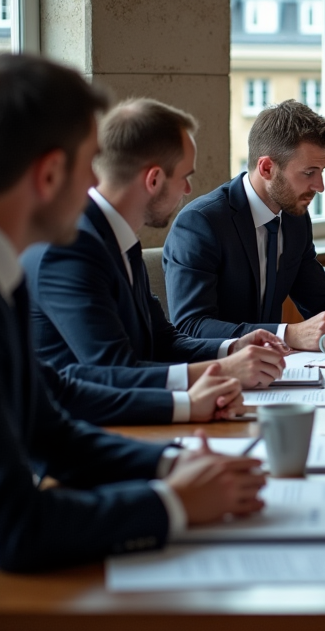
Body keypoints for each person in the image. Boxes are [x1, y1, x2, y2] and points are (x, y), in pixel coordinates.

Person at [0, 54, 265, 628]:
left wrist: (171, 466)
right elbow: (11, 527)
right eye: (87, 166)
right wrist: (173, 505)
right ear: (49, 175)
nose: (98, 183)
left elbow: (47, 423)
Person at [22, 98, 288, 425]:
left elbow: (162, 339)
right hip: (82, 435)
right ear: (153, 179)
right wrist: (221, 371)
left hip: (132, 419)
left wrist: (231, 349)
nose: (189, 189)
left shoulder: (116, 237)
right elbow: (112, 370)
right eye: (185, 177)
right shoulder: (69, 249)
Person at [164, 100, 325, 349]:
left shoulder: (295, 218)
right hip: (216, 374)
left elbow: (319, 298)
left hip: (273, 372)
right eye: (309, 173)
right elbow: (191, 326)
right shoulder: (200, 223)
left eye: (322, 171)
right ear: (266, 168)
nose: (320, 186)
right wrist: (287, 334)